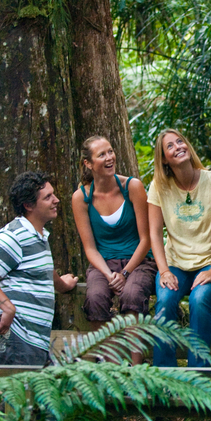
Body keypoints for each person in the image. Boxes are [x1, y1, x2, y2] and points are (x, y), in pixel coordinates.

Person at [0, 171, 78, 366]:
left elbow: (42, 271)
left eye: (53, 194)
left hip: (33, 341)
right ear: (28, 205)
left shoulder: (38, 236)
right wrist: (6, 306)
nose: (56, 200)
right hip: (15, 336)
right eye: (48, 197)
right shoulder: (15, 234)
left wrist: (63, 284)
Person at [148, 129, 211, 367]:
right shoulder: (159, 186)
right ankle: (166, 377)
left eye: (180, 142)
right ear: (164, 159)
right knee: (164, 302)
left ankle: (198, 375)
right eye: (170, 147)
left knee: (199, 299)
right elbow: (154, 233)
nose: (178, 147)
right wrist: (164, 271)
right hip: (175, 265)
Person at [72, 135, 156, 364]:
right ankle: (110, 364)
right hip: (103, 263)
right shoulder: (81, 198)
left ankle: (135, 368)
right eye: (102, 154)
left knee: (132, 294)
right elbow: (90, 248)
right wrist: (109, 275)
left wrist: (125, 273)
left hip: (138, 261)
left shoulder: (132, 187)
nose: (109, 157)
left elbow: (146, 239)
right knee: (95, 296)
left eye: (110, 151)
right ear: (88, 163)